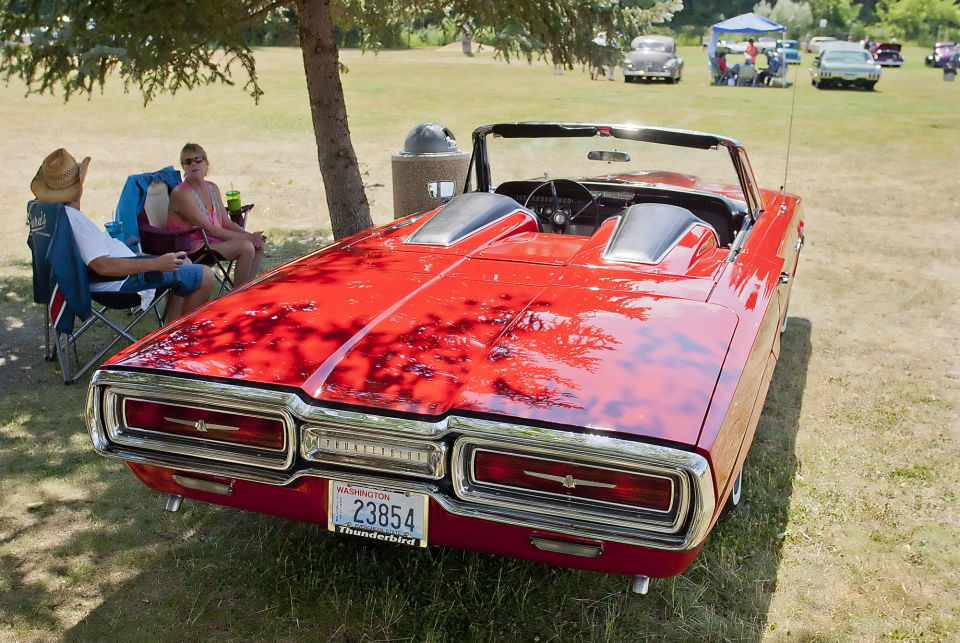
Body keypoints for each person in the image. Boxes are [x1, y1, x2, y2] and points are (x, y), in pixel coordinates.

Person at [31, 148, 214, 323]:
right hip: (120, 284)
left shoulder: (53, 215)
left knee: (185, 262)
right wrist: (155, 263)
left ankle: (169, 331)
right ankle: (181, 338)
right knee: (205, 275)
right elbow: (102, 266)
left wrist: (139, 257)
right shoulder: (73, 220)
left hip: (120, 272)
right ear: (78, 188)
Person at [167, 143, 266, 286]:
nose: (193, 164)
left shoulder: (212, 187)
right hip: (192, 249)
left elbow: (226, 223)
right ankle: (237, 297)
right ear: (183, 167)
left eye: (198, 159)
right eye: (188, 161)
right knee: (247, 246)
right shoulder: (181, 193)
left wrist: (253, 237)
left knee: (258, 244)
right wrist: (248, 238)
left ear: (206, 163)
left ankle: (247, 290)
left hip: (211, 242)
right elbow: (209, 229)